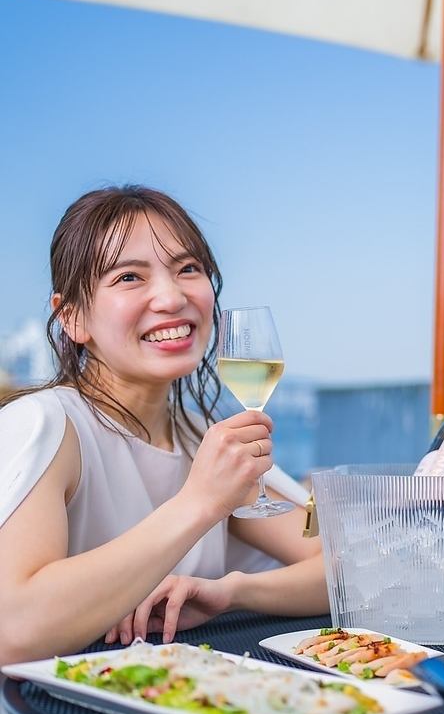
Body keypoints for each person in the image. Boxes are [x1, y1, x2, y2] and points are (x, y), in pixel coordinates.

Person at [0, 186, 327, 672]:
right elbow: (13, 631)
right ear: (71, 317)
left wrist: (231, 592)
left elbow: (346, 569)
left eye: (188, 269)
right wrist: (199, 504)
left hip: (195, 708)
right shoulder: (46, 424)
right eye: (129, 276)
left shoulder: (203, 437)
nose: (172, 297)